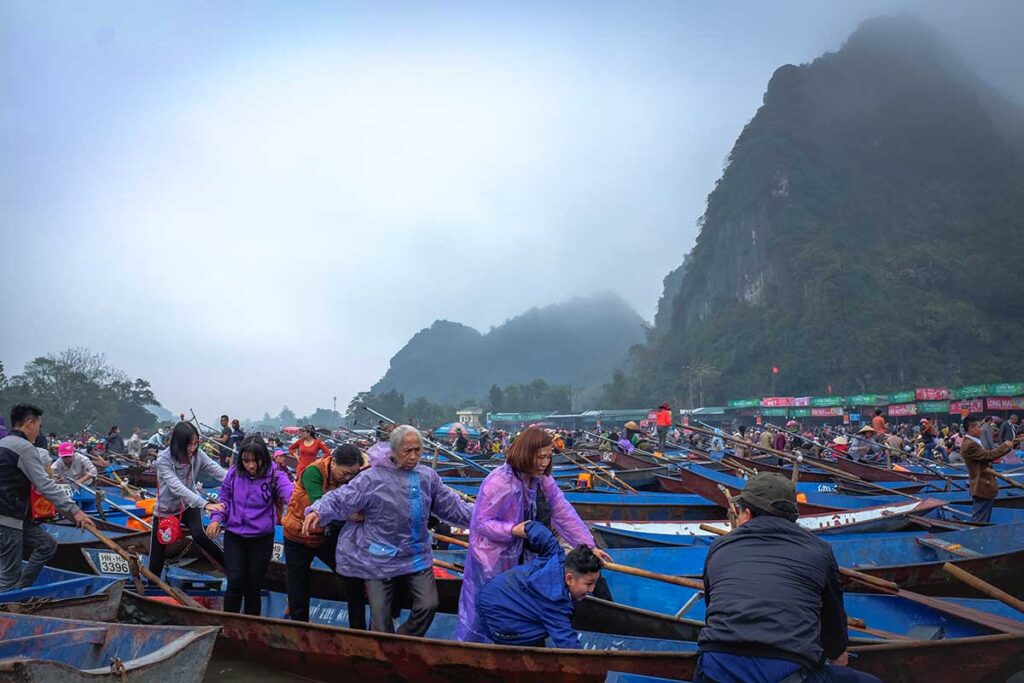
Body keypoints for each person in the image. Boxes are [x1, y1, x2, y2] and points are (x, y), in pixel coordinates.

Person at [695, 473, 879, 683]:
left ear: (746, 514)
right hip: (790, 673)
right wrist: (837, 655)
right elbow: (834, 630)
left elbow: (713, 612)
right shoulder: (820, 550)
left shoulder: (719, 547)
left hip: (714, 668)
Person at [302, 425, 472, 636]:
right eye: (407, 451)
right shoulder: (372, 478)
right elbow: (342, 497)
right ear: (393, 450)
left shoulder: (427, 477)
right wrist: (317, 511)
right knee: (380, 618)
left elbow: (453, 507)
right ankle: (384, 651)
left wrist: (483, 518)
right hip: (379, 557)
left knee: (429, 604)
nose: (414, 456)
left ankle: (403, 640)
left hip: (416, 554)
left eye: (417, 450)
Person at [455, 426, 609, 642]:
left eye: (548, 457)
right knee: (489, 606)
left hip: (524, 552)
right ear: (526, 454)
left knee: (522, 604)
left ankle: (521, 645)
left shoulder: (541, 479)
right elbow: (481, 523)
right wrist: (511, 530)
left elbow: (562, 510)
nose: (544, 463)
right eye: (540, 457)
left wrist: (588, 545)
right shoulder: (498, 481)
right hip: (492, 557)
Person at [0, 405, 95, 591]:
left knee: (46, 544)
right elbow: (45, 485)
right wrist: (75, 511)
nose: (39, 431)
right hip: (7, 518)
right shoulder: (24, 448)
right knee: (7, 579)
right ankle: (9, 606)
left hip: (17, 517)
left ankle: (20, 591)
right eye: (39, 426)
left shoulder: (3, 443)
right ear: (30, 423)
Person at [476, 521, 602, 648]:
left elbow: (541, 533)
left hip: (496, 589)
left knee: (545, 625)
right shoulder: (555, 605)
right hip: (496, 611)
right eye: (589, 584)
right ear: (569, 579)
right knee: (539, 635)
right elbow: (567, 641)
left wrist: (525, 528)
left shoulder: (557, 555)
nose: (592, 589)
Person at [206, 436, 293, 615]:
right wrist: (216, 519)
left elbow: (290, 494)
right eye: (246, 461)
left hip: (262, 538)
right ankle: (229, 625)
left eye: (256, 460)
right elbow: (224, 499)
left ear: (264, 458)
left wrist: (303, 508)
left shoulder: (276, 475)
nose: (251, 465)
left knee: (253, 586)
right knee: (235, 581)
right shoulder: (233, 473)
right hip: (234, 536)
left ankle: (250, 628)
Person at [282, 444, 367, 625]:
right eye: (344, 473)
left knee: (353, 577)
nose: (348, 478)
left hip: (326, 535)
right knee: (298, 589)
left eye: (352, 474)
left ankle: (358, 631)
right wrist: (348, 514)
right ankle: (300, 631)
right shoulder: (313, 472)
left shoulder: (353, 476)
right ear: (333, 462)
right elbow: (320, 505)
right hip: (298, 534)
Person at [149, 422, 226, 577]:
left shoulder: (198, 454)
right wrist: (205, 504)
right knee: (157, 553)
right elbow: (176, 487)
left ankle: (232, 567)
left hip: (188, 506)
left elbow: (217, 471)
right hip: (166, 508)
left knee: (200, 535)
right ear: (178, 444)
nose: (193, 449)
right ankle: (152, 586)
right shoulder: (164, 459)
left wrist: (241, 479)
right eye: (189, 445)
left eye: (196, 444)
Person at [961, 417, 1015, 523]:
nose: (981, 429)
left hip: (984, 486)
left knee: (983, 518)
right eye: (979, 427)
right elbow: (989, 455)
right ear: (971, 428)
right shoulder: (969, 445)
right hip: (981, 486)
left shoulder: (973, 442)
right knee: (979, 521)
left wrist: (1007, 446)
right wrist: (1005, 446)